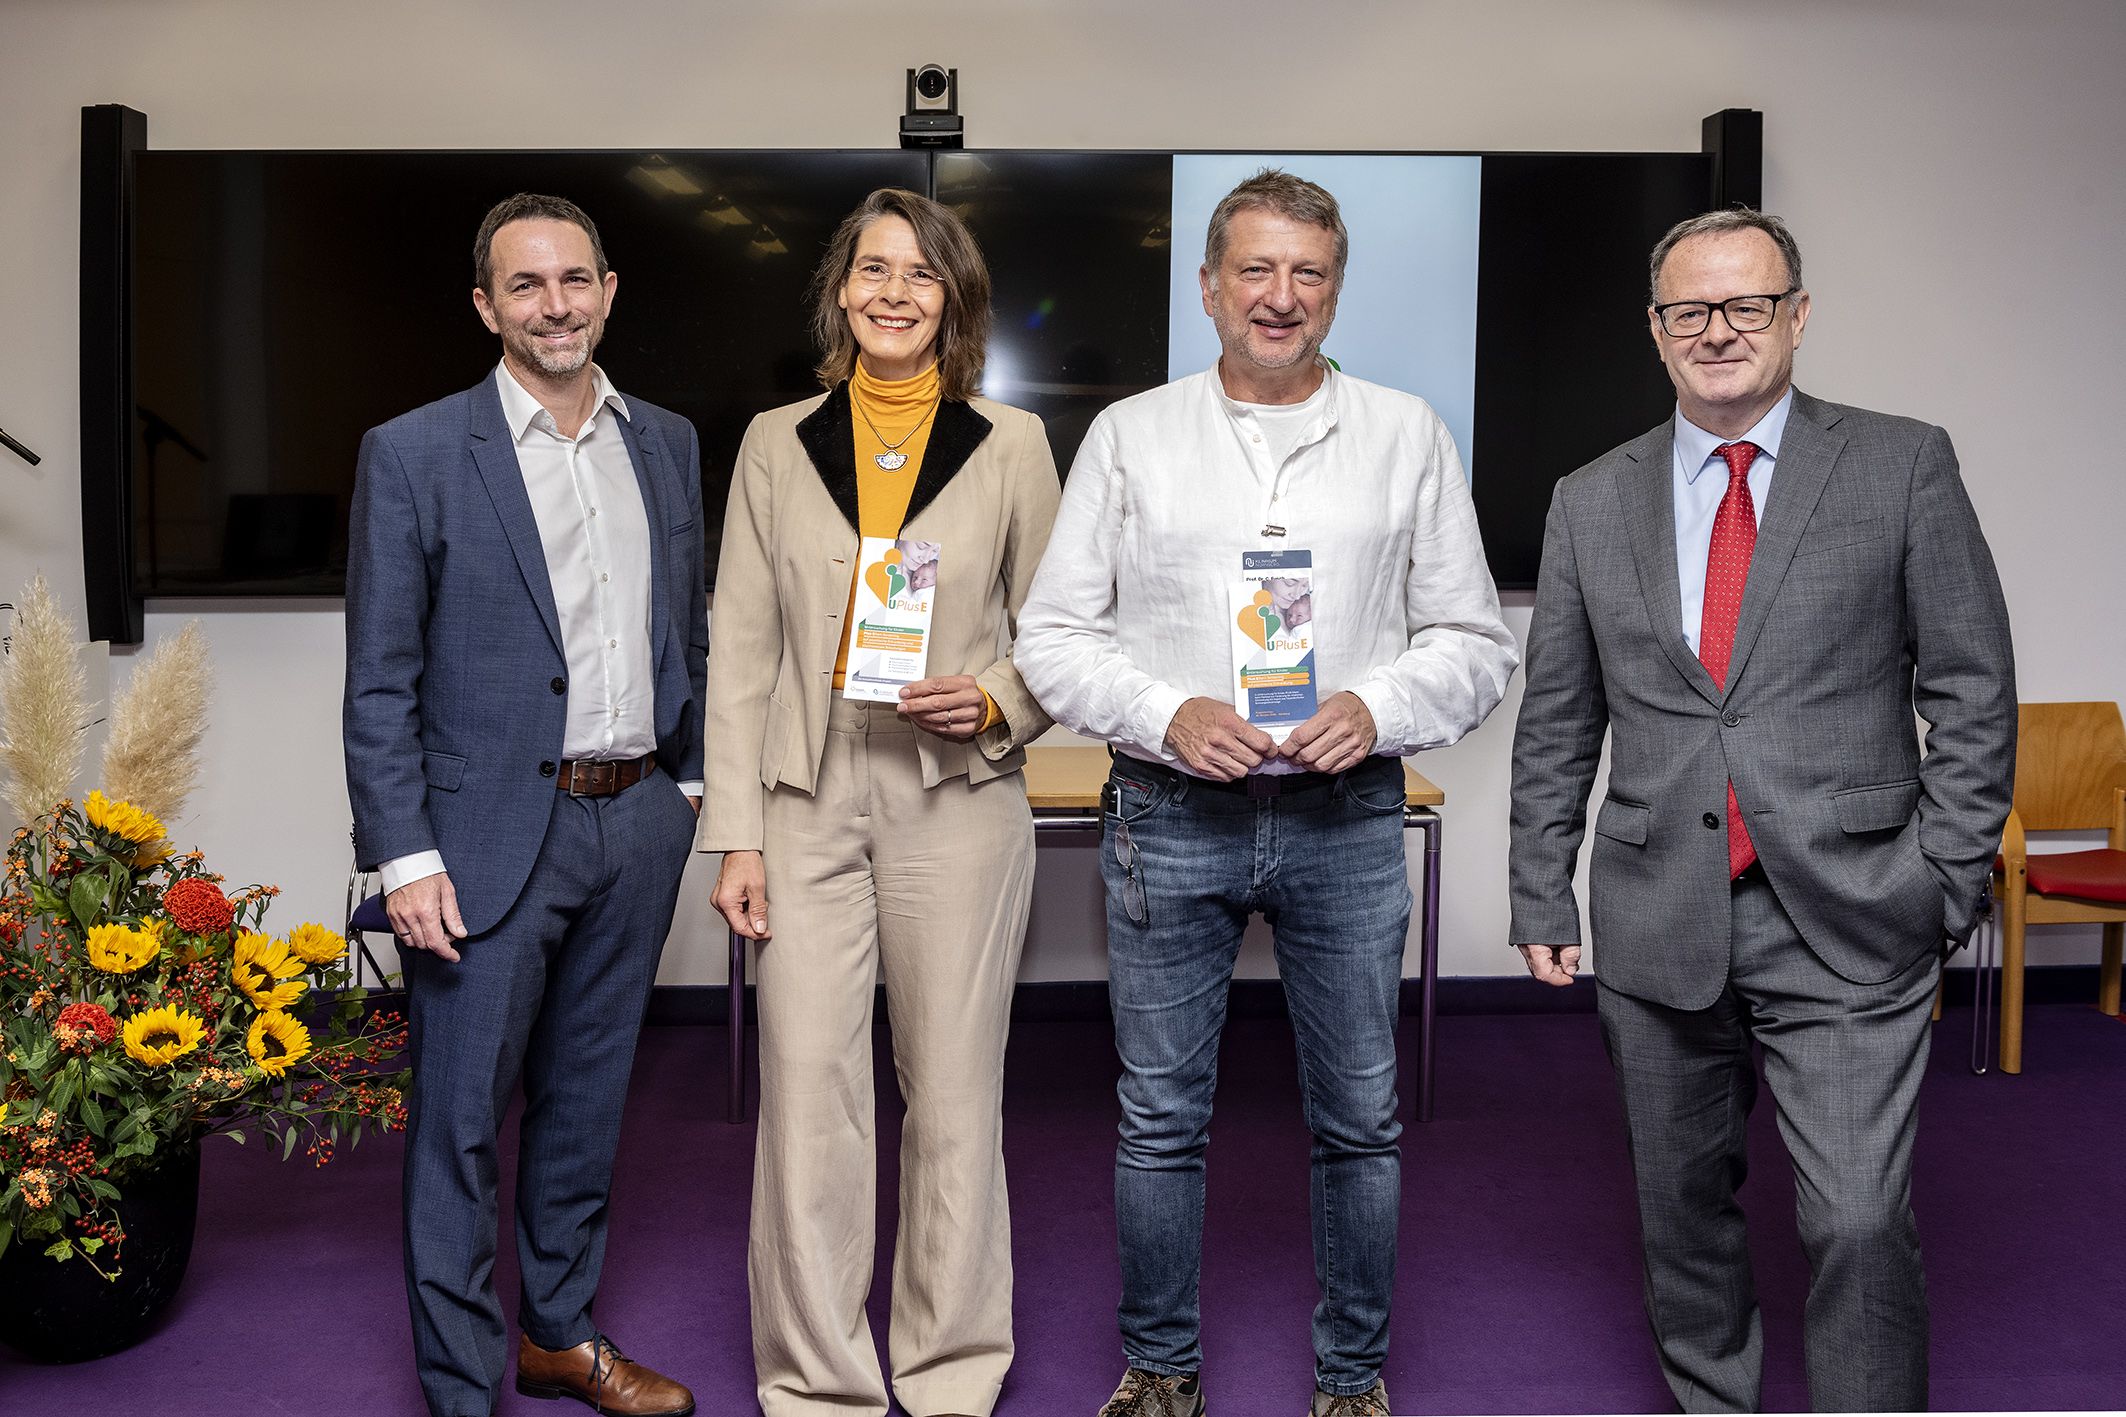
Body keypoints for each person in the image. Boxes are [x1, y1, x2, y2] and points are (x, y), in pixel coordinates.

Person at [1015, 169, 1518, 1417]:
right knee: (1158, 1117)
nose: (1279, 296)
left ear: (1335, 290)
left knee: (1358, 1117)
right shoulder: (1130, 435)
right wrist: (1165, 714)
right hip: (1170, 811)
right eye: (1254, 269)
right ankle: (1158, 1368)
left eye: (1307, 273)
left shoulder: (1405, 432)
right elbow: (1053, 637)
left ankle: (1350, 1377)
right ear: (1207, 286)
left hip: (1345, 817)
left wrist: (1381, 706)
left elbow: (1472, 639)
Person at [1507, 208, 2015, 1412]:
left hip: (1853, 909)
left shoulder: (1900, 464)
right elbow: (1559, 715)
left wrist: (1943, 879)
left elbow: (1971, 687)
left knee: (1855, 1218)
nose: (1717, 330)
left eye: (1746, 304)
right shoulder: (1590, 498)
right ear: (1654, 328)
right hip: (1655, 914)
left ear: (1796, 314)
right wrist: (1538, 885)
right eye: (1689, 309)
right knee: (1680, 1214)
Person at [696, 187, 1060, 1417]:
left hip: (955, 797)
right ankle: (818, 1378)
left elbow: (1063, 635)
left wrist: (995, 696)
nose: (893, 292)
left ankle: (950, 1371)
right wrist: (735, 834)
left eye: (920, 272)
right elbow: (741, 650)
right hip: (802, 799)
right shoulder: (773, 440)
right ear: (839, 292)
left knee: (952, 1093)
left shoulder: (1010, 442)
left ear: (953, 299)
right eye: (871, 269)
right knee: (807, 1093)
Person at [344, 192, 707, 1417]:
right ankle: (460, 1390)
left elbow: (683, 629)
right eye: (526, 285)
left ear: (608, 290)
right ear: (486, 306)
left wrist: (687, 784)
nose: (555, 305)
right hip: (486, 841)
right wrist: (404, 856)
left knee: (586, 1103)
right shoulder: (414, 452)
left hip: (635, 820)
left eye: (574, 279)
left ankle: (558, 1335)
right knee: (458, 1125)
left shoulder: (664, 441)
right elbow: (380, 677)